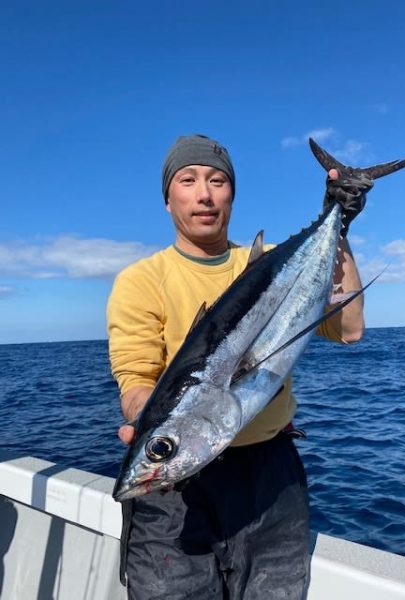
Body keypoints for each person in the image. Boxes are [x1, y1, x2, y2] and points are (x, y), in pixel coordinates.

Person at [107, 134, 368, 599]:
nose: (204, 193)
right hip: (175, 496)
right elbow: (136, 379)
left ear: (231, 194)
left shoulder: (270, 263)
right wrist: (149, 428)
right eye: (187, 180)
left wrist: (340, 224)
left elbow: (348, 329)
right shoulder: (141, 281)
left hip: (271, 476)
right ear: (168, 199)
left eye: (217, 180)